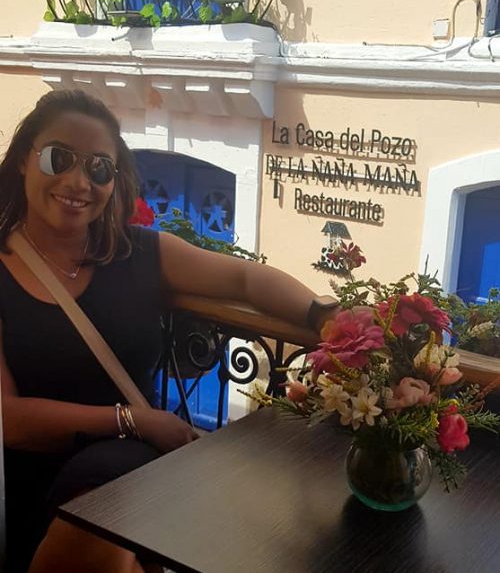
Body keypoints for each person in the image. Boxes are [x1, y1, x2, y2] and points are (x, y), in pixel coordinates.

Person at [0, 90, 338, 573]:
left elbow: (243, 277)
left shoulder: (139, 253)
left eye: (99, 168)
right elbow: (8, 417)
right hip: (31, 481)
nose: (78, 181)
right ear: (23, 162)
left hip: (125, 470)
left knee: (105, 525)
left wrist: (323, 315)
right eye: (60, 158)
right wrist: (130, 419)